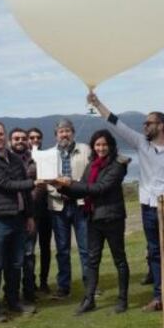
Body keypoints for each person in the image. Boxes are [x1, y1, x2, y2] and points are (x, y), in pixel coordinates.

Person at [88, 91, 164, 312]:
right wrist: (97, 104)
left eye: (149, 123)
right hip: (148, 207)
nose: (144, 126)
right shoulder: (141, 144)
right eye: (144, 123)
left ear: (161, 125)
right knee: (154, 251)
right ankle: (159, 296)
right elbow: (117, 124)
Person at [55, 129, 131, 315]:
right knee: (92, 260)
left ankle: (123, 299)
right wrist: (62, 188)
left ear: (110, 145)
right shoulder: (92, 164)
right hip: (93, 217)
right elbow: (82, 187)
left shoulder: (117, 165)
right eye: (97, 145)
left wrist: (70, 184)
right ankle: (89, 300)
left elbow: (100, 188)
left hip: (112, 217)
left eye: (104, 144)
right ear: (93, 146)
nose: (101, 148)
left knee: (119, 259)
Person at [0, 121, 39, 322]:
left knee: (16, 263)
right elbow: (6, 185)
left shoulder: (14, 159)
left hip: (18, 219)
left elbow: (25, 192)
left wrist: (29, 215)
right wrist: (34, 182)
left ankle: (12, 301)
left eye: (0, 134)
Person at [46, 118, 91, 299]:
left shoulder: (85, 150)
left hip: (80, 205)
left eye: (67, 131)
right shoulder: (48, 154)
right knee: (62, 249)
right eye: (61, 131)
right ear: (56, 135)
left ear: (73, 132)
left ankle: (90, 284)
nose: (64, 134)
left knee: (85, 248)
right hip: (58, 206)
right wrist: (59, 193)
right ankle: (63, 287)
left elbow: (90, 176)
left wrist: (78, 192)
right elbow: (45, 180)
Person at [9, 127, 38, 303]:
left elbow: (36, 186)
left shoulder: (34, 161)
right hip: (11, 214)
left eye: (23, 138)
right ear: (10, 142)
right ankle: (11, 293)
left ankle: (29, 291)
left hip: (28, 213)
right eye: (16, 138)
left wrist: (31, 215)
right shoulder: (5, 161)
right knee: (12, 258)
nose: (20, 141)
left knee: (29, 255)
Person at [28, 127, 52, 293]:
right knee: (29, 249)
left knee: (45, 247)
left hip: (46, 208)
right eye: (32, 137)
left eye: (38, 137)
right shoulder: (22, 159)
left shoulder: (47, 157)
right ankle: (30, 282)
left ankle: (44, 280)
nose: (35, 140)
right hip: (30, 211)